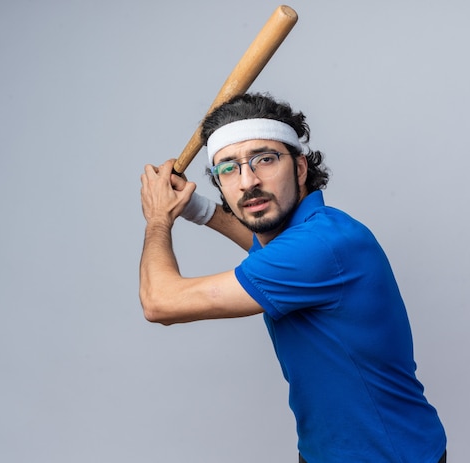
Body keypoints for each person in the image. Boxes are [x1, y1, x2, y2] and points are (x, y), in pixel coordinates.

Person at [139, 93, 447, 462]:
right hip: (325, 453)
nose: (247, 180)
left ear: (300, 168)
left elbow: (160, 302)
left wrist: (159, 217)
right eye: (228, 168)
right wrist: (198, 209)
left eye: (264, 159)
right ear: (219, 185)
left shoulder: (322, 246)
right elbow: (266, 250)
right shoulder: (309, 236)